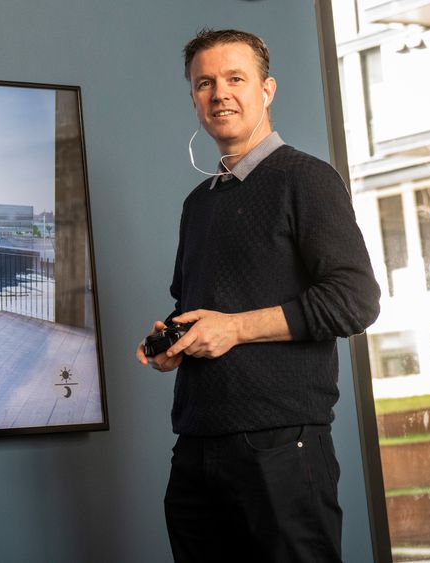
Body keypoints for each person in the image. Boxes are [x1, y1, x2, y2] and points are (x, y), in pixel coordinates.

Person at [135, 28, 381, 562]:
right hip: (196, 446)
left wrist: (234, 327)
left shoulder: (307, 179)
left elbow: (356, 300)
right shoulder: (198, 204)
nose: (219, 92)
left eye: (234, 79)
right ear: (195, 98)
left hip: (281, 446)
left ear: (266, 90)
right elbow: (196, 306)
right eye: (205, 83)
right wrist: (173, 341)